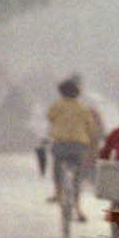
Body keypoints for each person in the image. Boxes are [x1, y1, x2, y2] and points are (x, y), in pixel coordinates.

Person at [45, 77, 100, 224]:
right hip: (78, 146)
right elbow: (91, 128)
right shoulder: (83, 109)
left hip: (61, 144)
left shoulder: (57, 105)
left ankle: (57, 193)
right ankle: (77, 207)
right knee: (76, 176)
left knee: (57, 167)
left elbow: (49, 118)